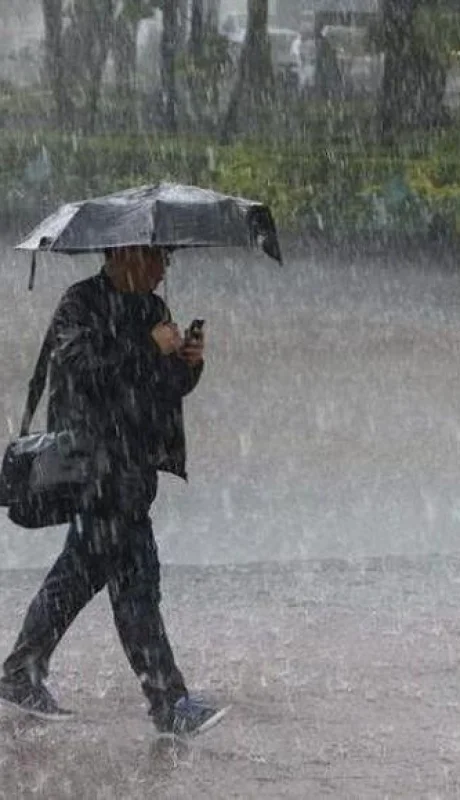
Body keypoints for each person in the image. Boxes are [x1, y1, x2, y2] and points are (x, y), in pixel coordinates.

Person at [0, 245, 224, 735]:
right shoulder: (79, 303)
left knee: (89, 577)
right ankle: (168, 702)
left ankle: (22, 672)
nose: (164, 268)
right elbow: (84, 372)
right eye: (158, 257)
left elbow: (163, 385)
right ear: (126, 254)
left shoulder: (153, 307)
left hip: (133, 468)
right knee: (134, 585)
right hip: (95, 470)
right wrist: (147, 346)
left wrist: (188, 364)